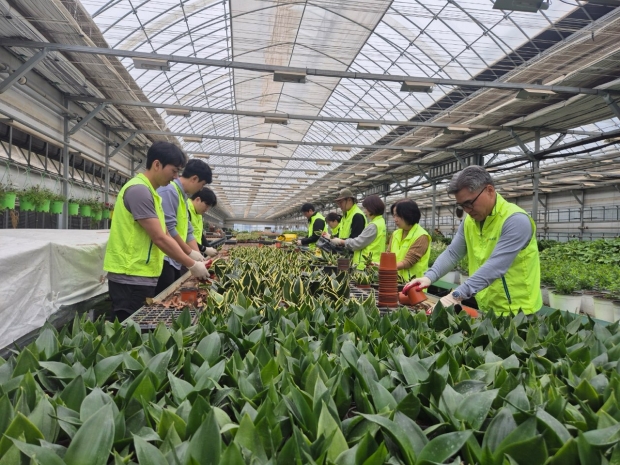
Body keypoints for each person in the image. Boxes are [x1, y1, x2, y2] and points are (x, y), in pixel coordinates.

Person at [403, 166, 542, 315]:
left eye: (469, 203)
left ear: (489, 190)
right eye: (462, 205)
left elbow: (496, 266)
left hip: (519, 311)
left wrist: (455, 296)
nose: (467, 210)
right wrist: (428, 277)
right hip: (487, 306)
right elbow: (453, 253)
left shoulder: (515, 220)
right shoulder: (469, 221)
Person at [103, 142, 210, 322]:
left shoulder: (153, 194)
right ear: (157, 164)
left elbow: (166, 234)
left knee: (138, 329)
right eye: (174, 171)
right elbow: (159, 238)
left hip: (141, 274)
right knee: (128, 332)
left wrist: (192, 254)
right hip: (130, 275)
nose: (176, 176)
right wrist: (191, 264)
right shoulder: (139, 191)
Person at [155, 158, 216, 295]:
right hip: (165, 256)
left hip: (175, 258)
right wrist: (189, 254)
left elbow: (188, 231)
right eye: (202, 185)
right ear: (194, 178)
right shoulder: (169, 191)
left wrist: (198, 256)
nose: (200, 189)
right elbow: (169, 228)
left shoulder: (181, 196)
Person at [331, 195, 386, 269]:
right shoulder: (380, 222)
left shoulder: (373, 225)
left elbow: (358, 243)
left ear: (372, 208)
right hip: (372, 264)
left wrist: (341, 242)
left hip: (366, 265)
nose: (365, 211)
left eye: (366, 208)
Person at [389, 200, 431, 281]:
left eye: (398, 215)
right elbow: (388, 254)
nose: (395, 219)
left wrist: (386, 267)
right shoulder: (395, 233)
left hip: (413, 285)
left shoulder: (421, 236)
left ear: (408, 214)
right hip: (394, 282)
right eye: (394, 216)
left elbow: (409, 262)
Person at [188, 187, 218, 253]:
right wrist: (204, 249)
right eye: (206, 205)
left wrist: (209, 248)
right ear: (198, 199)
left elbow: (200, 234)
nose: (207, 209)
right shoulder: (186, 210)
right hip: (183, 253)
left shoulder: (198, 214)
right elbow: (184, 237)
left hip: (194, 252)